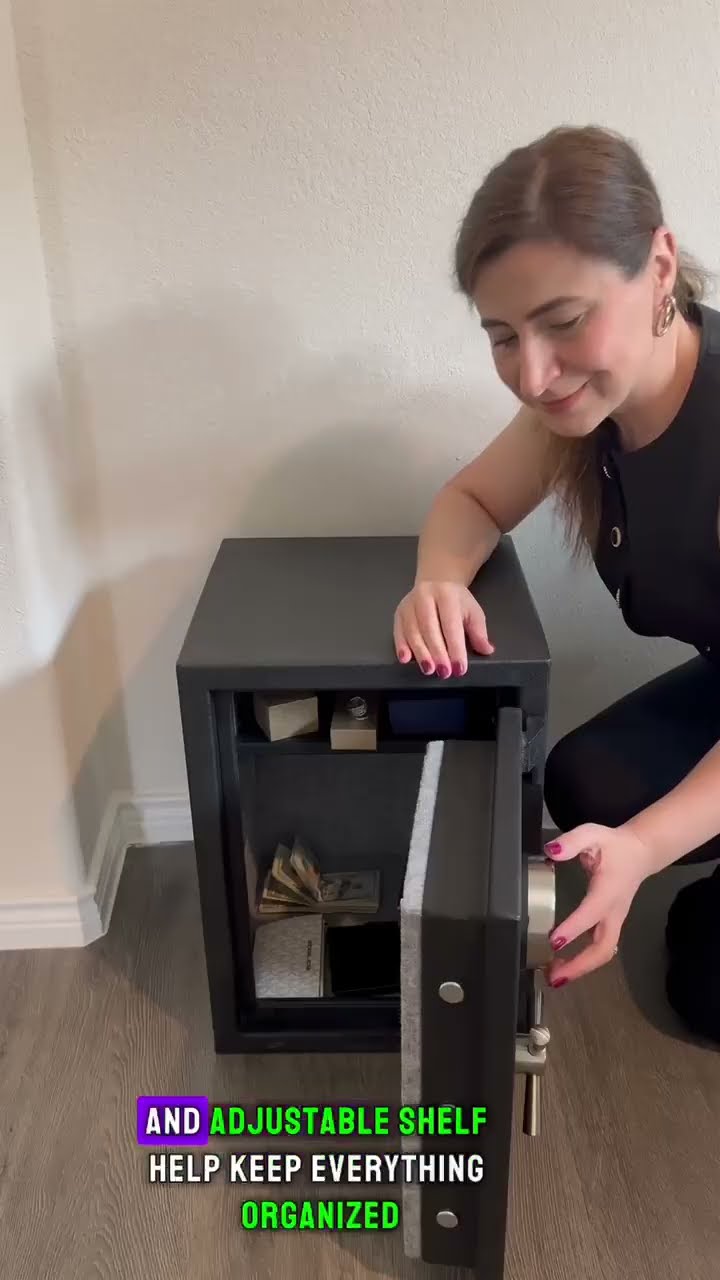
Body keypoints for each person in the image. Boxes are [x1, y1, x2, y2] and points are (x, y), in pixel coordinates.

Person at [393, 125, 720, 1036]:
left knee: (706, 990)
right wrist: (439, 581)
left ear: (660, 268)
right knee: (586, 782)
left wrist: (645, 847)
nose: (533, 375)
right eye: (503, 337)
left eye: (566, 322)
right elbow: (470, 499)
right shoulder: (584, 407)